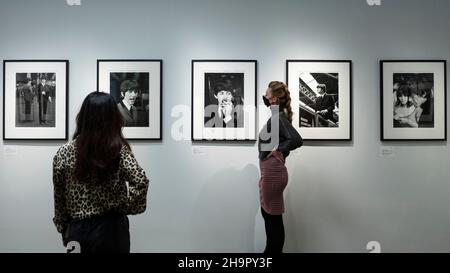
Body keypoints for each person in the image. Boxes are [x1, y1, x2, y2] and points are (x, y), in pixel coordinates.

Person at [52, 91, 150, 253]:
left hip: (77, 229)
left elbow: (59, 195)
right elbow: (140, 181)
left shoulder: (63, 152)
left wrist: (63, 227)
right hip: (111, 229)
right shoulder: (117, 150)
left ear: (83, 117)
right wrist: (126, 207)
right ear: (113, 118)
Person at [258, 81, 303, 253]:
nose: (265, 96)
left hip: (273, 173)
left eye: (267, 94)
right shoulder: (277, 116)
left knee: (271, 218)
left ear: (274, 98)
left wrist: (280, 150)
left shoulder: (279, 118)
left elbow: (297, 140)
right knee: (271, 217)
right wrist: (279, 148)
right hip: (270, 172)